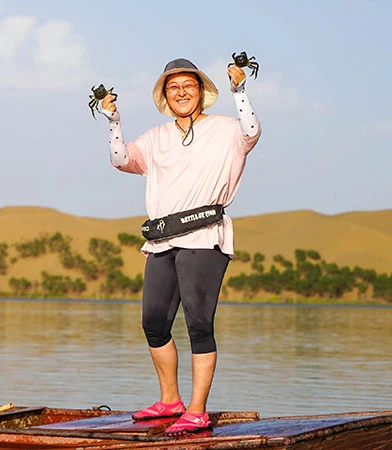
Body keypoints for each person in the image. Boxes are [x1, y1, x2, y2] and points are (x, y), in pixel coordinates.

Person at [99, 58, 261, 435]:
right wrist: (113, 121)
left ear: (202, 92)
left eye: (189, 85)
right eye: (174, 88)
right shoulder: (156, 137)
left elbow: (252, 132)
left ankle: (197, 410)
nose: (182, 92)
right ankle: (169, 400)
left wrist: (239, 92)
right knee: (153, 323)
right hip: (160, 240)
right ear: (165, 97)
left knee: (199, 323)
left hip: (204, 236)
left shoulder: (226, 129)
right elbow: (121, 159)